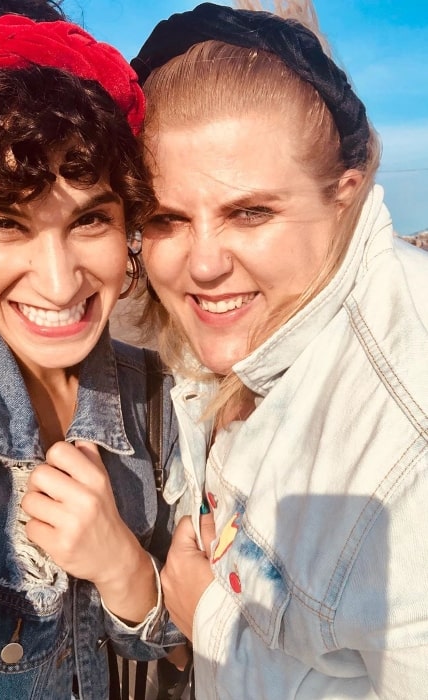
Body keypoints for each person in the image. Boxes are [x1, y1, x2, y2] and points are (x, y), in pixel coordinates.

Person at [131, 1, 428, 697]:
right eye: (166, 218)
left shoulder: (406, 435)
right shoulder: (251, 331)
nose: (202, 264)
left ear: (342, 196)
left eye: (251, 212)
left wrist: (205, 617)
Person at [0, 2, 183, 698]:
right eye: (7, 223)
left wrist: (124, 568)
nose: (59, 279)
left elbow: (175, 641)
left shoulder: (160, 401)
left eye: (90, 218)